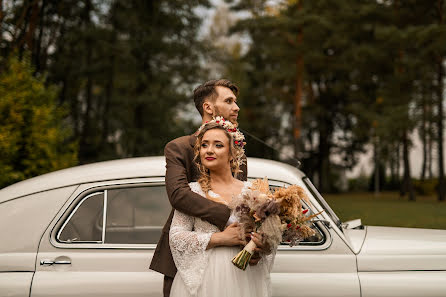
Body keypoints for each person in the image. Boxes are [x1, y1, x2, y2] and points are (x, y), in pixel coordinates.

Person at [149, 79, 267, 297]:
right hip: (187, 259)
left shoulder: (237, 151)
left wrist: (253, 240)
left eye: (236, 101)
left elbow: (243, 201)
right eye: (229, 101)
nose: (236, 107)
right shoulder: (179, 147)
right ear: (208, 107)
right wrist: (232, 220)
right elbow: (179, 195)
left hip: (235, 262)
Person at [169, 119, 275, 297]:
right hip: (206, 277)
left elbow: (269, 240)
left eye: (218, 145)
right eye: (204, 145)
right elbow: (176, 236)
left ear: (232, 153)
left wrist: (260, 247)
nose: (209, 150)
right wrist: (220, 238)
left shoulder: (253, 192)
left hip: (246, 278)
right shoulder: (193, 191)